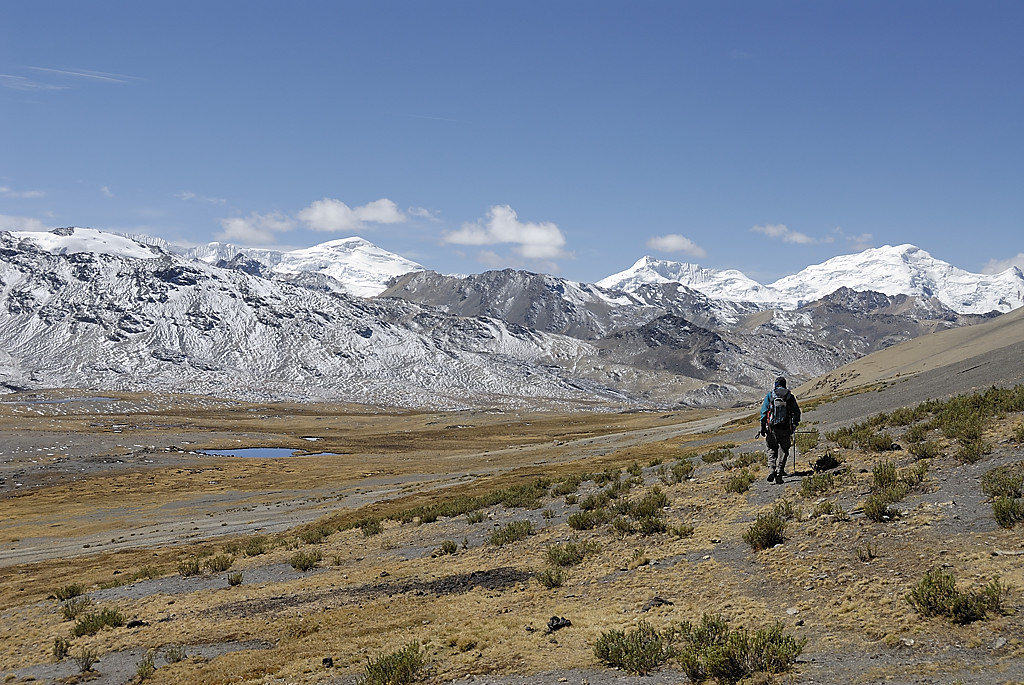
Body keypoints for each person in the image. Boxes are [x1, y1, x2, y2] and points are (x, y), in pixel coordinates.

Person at [759, 376, 801, 485]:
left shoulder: (770, 395)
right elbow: (797, 412)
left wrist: (763, 427)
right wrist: (795, 424)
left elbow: (763, 413)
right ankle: (779, 471)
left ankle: (771, 469)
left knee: (771, 449)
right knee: (784, 450)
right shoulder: (789, 396)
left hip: (772, 428)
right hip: (785, 428)